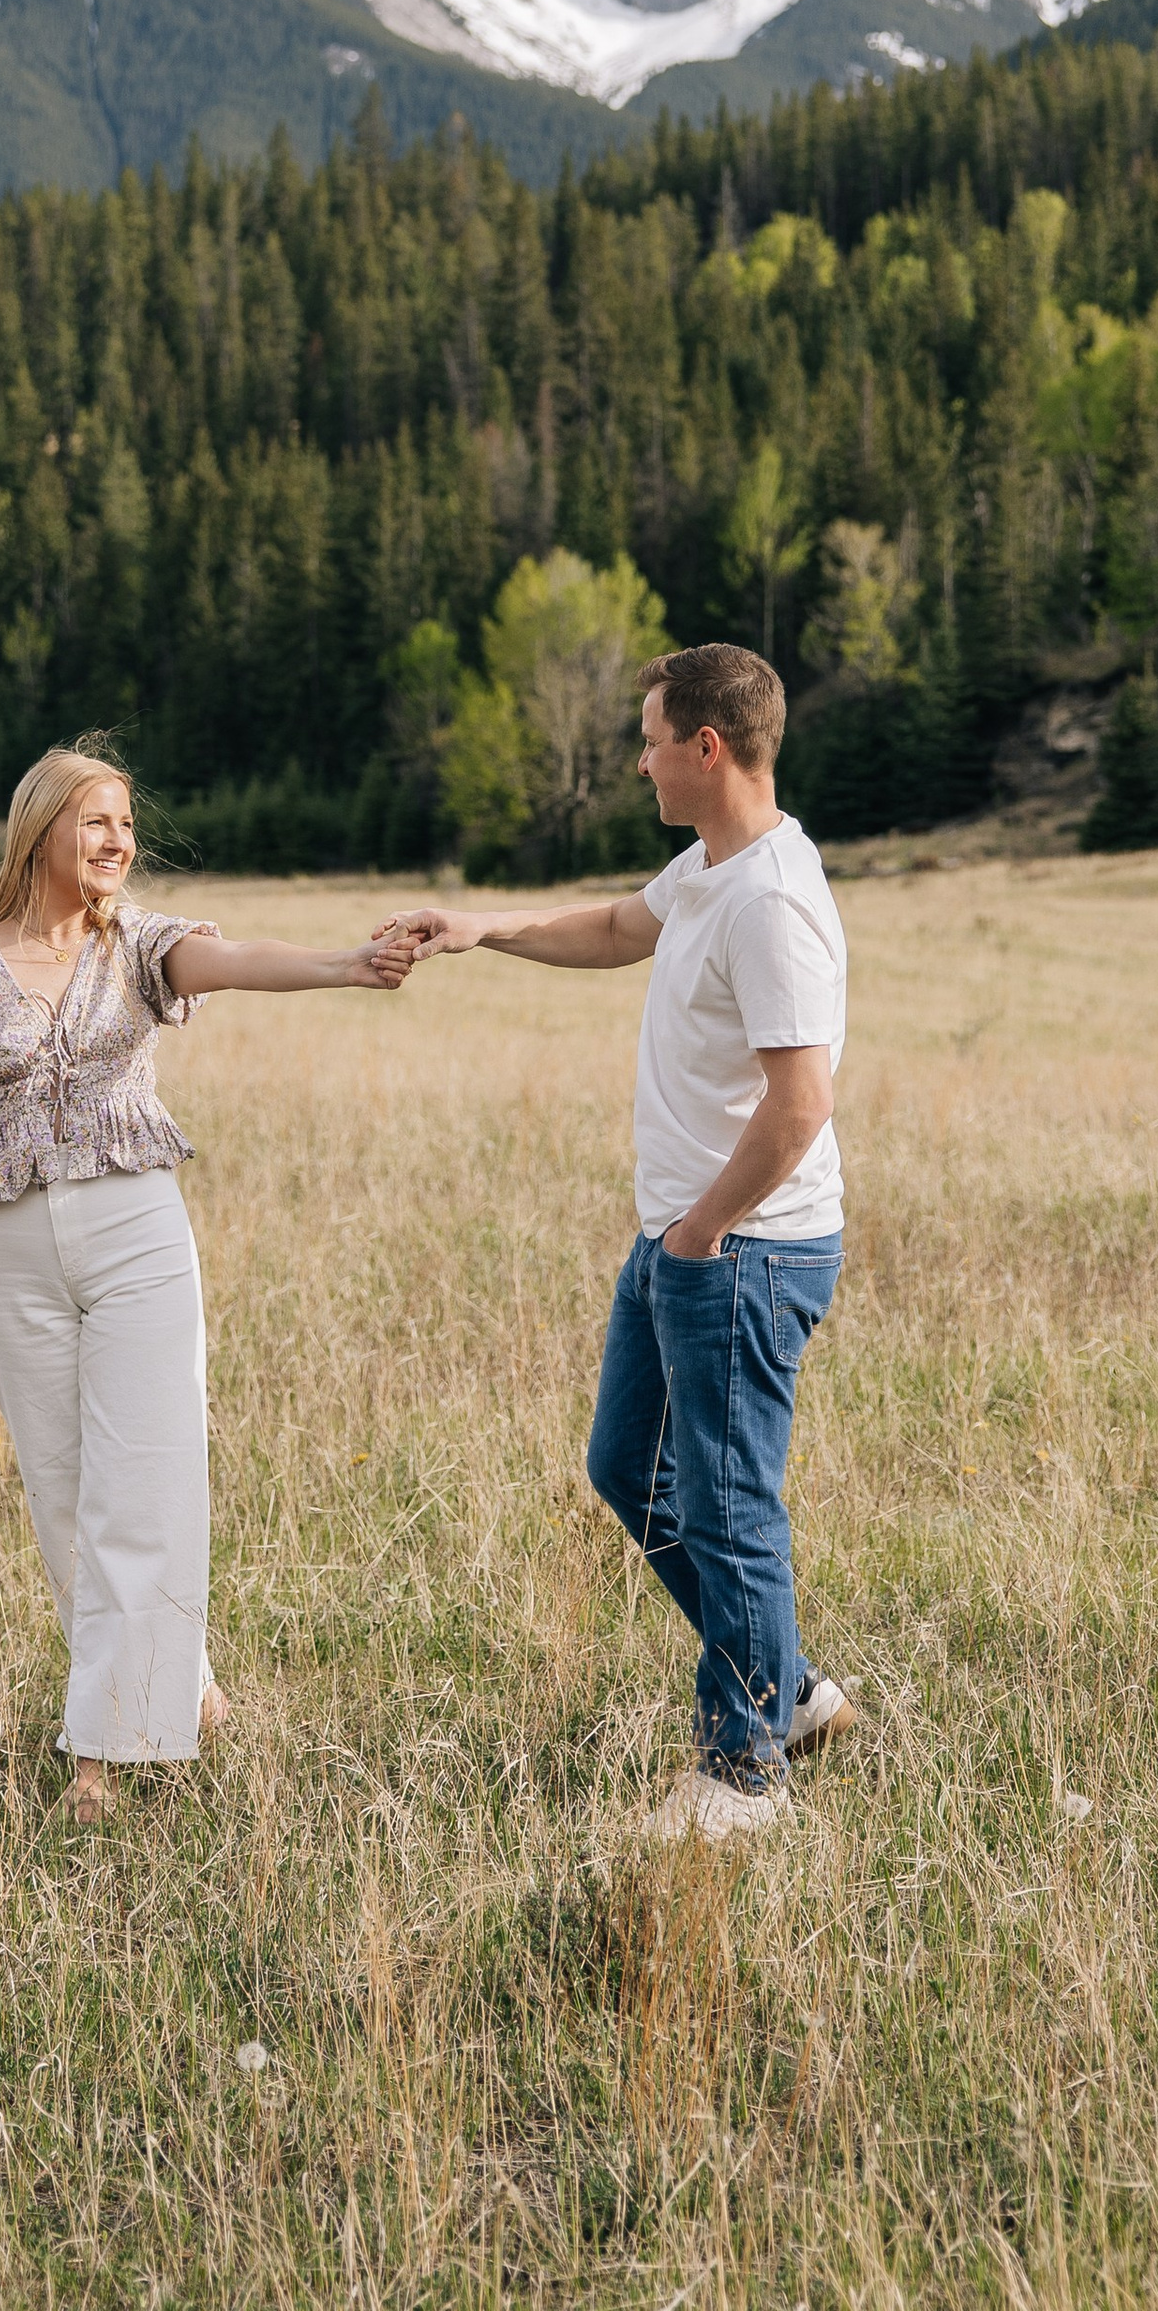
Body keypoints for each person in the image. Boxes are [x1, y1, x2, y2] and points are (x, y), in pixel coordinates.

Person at [0, 740, 416, 1824]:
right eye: (97, 821)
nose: (120, 840)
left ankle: (103, 1759)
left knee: (147, 1480)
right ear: (41, 832)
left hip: (135, 1234)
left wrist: (347, 964)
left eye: (127, 823)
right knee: (63, 1498)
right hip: (9, 1250)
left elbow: (237, 958)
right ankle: (184, 1691)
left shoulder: (144, 947)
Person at [388, 641, 852, 1841]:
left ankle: (743, 1775)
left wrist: (702, 1231)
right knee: (624, 1469)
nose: (638, 760)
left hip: (740, 1251)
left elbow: (800, 1103)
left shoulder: (774, 901)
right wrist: (479, 929)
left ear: (708, 747)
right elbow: (610, 926)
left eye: (650, 739)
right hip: (685, 1243)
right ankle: (788, 1686)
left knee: (726, 1505)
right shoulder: (707, 867)